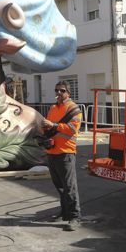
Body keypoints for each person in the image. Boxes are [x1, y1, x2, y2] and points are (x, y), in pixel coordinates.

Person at [41, 81, 83, 231]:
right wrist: (45, 128)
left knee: (69, 187)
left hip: (66, 152)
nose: (59, 93)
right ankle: (64, 212)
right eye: (57, 90)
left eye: (62, 90)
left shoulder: (74, 110)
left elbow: (72, 129)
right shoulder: (53, 108)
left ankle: (75, 217)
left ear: (68, 93)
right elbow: (50, 126)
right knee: (60, 186)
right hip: (52, 152)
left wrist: (52, 125)